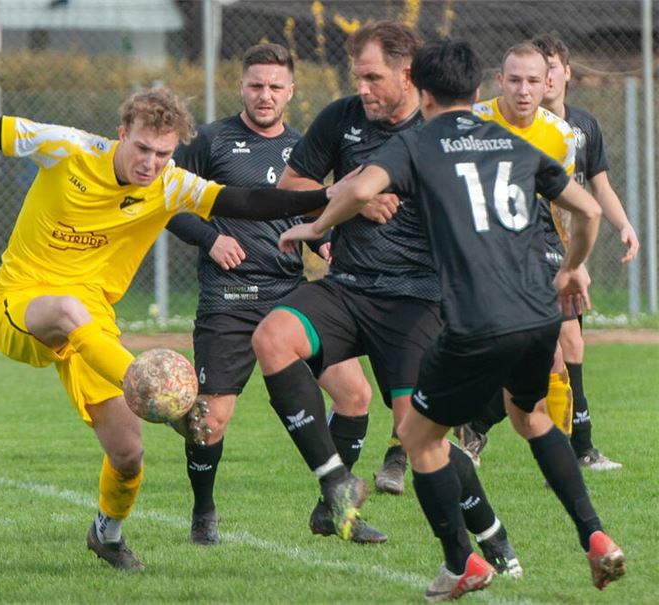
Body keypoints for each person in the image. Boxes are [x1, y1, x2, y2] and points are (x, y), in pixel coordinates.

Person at [0, 87, 338, 571]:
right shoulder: (70, 148)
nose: (151, 163)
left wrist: (327, 196)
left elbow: (245, 200)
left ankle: (107, 534)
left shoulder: (171, 184)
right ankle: (164, 396)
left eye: (163, 154)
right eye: (142, 148)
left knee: (127, 454)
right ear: (122, 134)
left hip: (93, 326)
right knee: (67, 309)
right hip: (22, 304)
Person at [280, 37, 625, 602]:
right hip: (538, 314)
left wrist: (316, 229)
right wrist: (570, 270)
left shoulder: (417, 142)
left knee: (418, 436)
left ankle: (459, 561)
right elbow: (587, 210)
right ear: (479, 88)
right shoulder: (510, 140)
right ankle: (594, 535)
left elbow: (360, 188)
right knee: (532, 418)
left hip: (476, 320)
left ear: (421, 90)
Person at [264, 21, 520, 572]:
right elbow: (289, 190)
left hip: (416, 301)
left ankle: (493, 536)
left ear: (409, 76)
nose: (362, 88)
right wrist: (347, 195)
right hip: (349, 287)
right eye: (358, 76)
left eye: (373, 78)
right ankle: (335, 484)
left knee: (416, 433)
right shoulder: (342, 118)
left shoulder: (444, 132)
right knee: (273, 337)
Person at [455, 34, 638, 471]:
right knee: (526, 353)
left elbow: (572, 201)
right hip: (485, 255)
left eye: (539, 76)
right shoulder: (474, 121)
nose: (529, 87)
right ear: (501, 80)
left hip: (544, 248)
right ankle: (468, 428)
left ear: (559, 76)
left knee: (563, 347)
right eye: (516, 79)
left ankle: (572, 450)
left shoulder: (567, 133)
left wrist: (575, 262)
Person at [165, 43, 309, 546]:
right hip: (229, 296)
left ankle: (335, 498)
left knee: (354, 392)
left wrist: (326, 240)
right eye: (256, 85)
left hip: (290, 293)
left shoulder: (304, 148)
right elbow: (166, 200)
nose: (265, 95)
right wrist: (211, 238)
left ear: (290, 91)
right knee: (209, 422)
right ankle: (203, 511)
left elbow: (313, 212)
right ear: (241, 87)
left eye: (275, 86)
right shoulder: (210, 140)